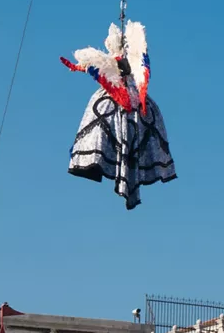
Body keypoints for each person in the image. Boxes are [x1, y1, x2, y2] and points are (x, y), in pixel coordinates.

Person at [60, 21, 176, 210]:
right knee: (105, 118)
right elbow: (94, 67)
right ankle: (96, 157)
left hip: (130, 99)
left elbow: (96, 67)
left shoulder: (129, 66)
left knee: (109, 119)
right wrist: (78, 66)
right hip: (125, 98)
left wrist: (79, 66)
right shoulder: (115, 65)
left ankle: (100, 157)